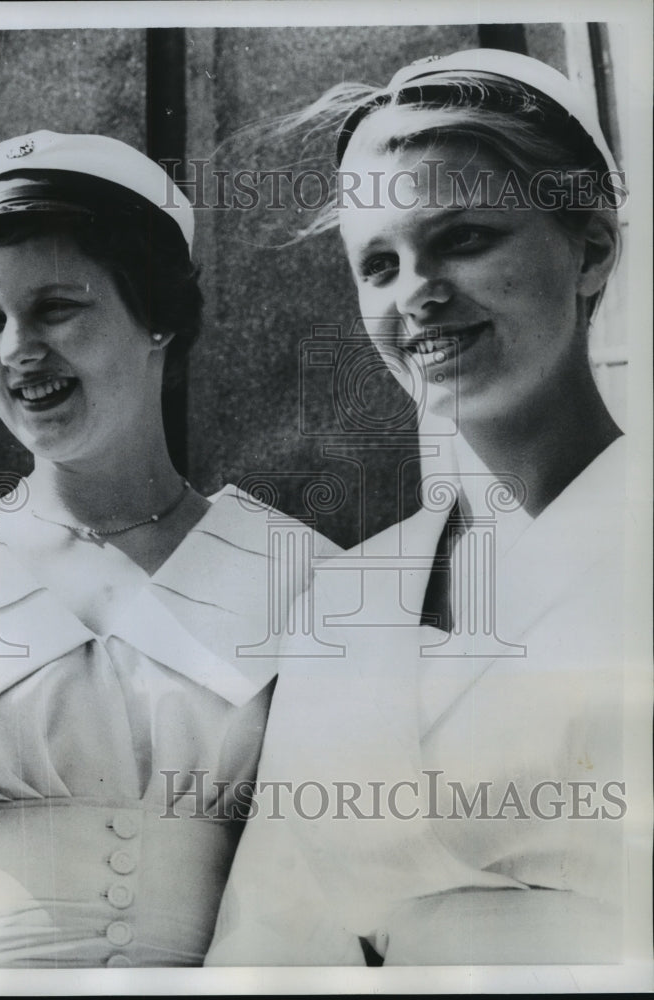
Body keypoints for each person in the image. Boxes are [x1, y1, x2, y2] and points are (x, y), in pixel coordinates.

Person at [206, 49, 629, 966]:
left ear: (589, 249)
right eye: (379, 264)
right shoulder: (344, 599)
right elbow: (273, 931)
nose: (416, 298)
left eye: (464, 239)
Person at [0, 130, 338, 968]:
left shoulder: (300, 575)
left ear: (158, 320)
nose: (17, 349)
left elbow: (327, 901)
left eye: (57, 306)